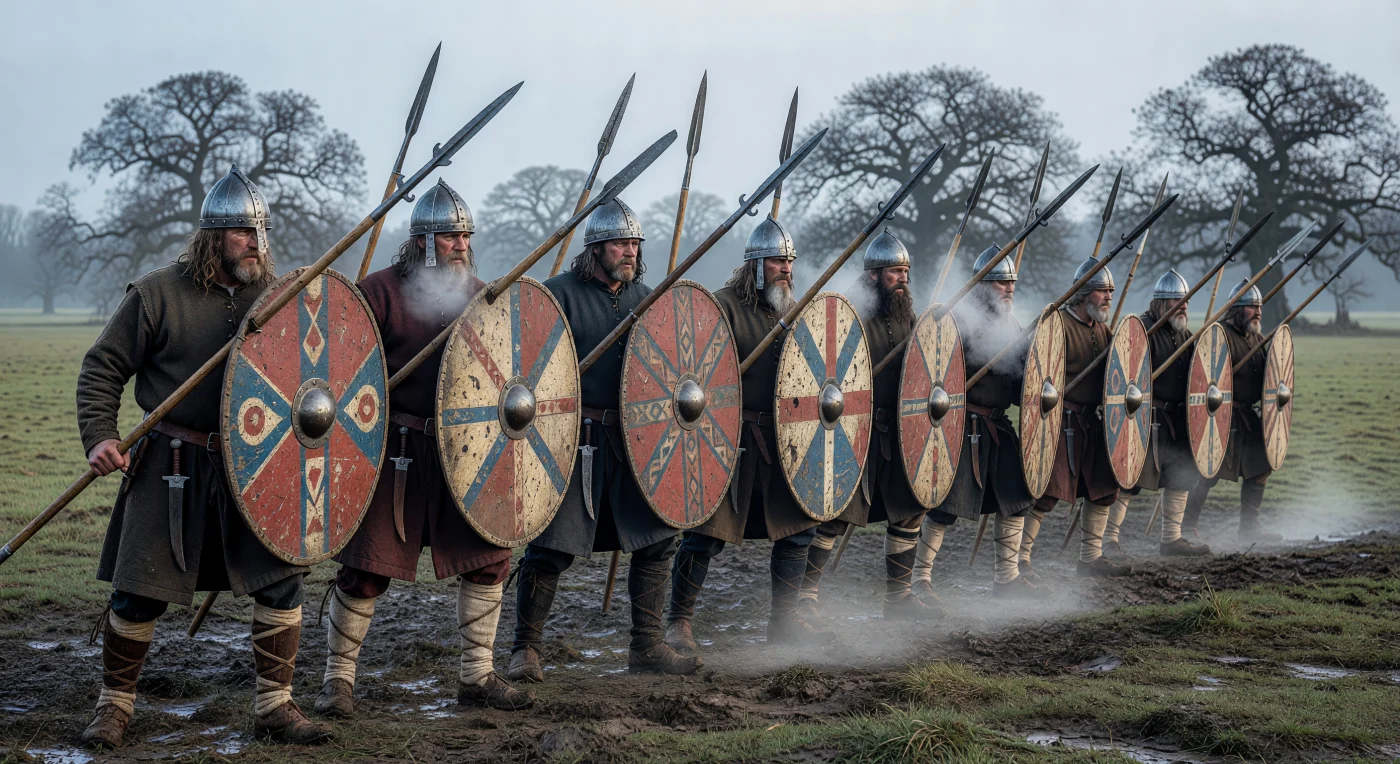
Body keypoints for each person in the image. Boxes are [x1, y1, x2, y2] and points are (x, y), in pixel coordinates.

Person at [76, 166, 330, 747]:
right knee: (138, 590)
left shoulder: (277, 300)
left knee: (280, 580)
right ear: (211, 236)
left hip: (258, 464)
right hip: (170, 465)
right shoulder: (156, 294)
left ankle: (275, 707)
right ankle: (113, 708)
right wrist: (99, 435)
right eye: (242, 233)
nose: (254, 245)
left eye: (259, 233)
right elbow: (102, 367)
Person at [316, 180, 531, 718]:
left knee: (488, 558)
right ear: (422, 241)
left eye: (465, 236)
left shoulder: (484, 298)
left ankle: (477, 677)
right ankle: (338, 681)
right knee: (366, 568)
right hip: (397, 451)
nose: (461, 244)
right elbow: (339, 373)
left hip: (469, 450)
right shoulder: (379, 293)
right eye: (450, 236)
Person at [508, 200, 701, 683]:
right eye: (620, 243)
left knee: (657, 539)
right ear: (594, 249)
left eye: (635, 244)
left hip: (640, 441)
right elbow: (526, 371)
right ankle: (525, 650)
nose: (630, 251)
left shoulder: (649, 300)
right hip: (576, 442)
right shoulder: (558, 297)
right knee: (551, 548)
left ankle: (647, 646)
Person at [665, 216, 831, 652]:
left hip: (783, 442)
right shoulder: (721, 307)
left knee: (797, 529)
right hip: (729, 442)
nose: (786, 270)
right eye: (778, 261)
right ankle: (678, 621)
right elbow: (695, 373)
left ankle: (784, 623)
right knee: (706, 534)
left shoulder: (793, 312)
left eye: (789, 262)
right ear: (756, 265)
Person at [802, 231, 936, 620]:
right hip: (852, 431)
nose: (904, 279)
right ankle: (806, 599)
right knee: (837, 514)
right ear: (875, 275)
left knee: (911, 507)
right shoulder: (848, 311)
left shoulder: (906, 315)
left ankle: (899, 599)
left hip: (896, 432)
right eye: (896, 271)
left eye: (907, 271)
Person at [917, 245, 1040, 599]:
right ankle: (920, 580)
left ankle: (1008, 578)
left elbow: (1020, 387)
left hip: (998, 427)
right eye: (1001, 282)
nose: (1008, 288)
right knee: (945, 508)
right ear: (982, 284)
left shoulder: (1013, 324)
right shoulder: (959, 322)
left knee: (1016, 498)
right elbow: (936, 375)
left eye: (1011, 282)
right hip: (963, 429)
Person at [1020, 256, 1133, 578]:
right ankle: (1020, 561)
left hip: (1093, 423)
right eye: (1102, 291)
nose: (1109, 297)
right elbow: (1037, 375)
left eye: (1111, 291)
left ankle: (1090, 557)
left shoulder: (1104, 329)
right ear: (1083, 293)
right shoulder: (1057, 325)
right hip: (1058, 423)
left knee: (1103, 488)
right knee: (1045, 493)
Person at [1101, 270, 1210, 558]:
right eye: (1177, 299)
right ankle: (1108, 540)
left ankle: (1171, 539)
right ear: (1161, 302)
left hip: (1176, 421)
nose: (1184, 305)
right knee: (1129, 478)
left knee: (1180, 475)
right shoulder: (1143, 331)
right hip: (1142, 420)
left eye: (1186, 300)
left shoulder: (1185, 336)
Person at [1184, 279, 1279, 543]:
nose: (1258, 312)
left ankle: (1249, 527)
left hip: (1247, 418)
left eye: (1259, 307)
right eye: (1251, 307)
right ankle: (1186, 527)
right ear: (1236, 310)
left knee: (1260, 466)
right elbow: (1202, 378)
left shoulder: (1257, 339)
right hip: (1219, 417)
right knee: (1207, 471)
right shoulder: (1218, 336)